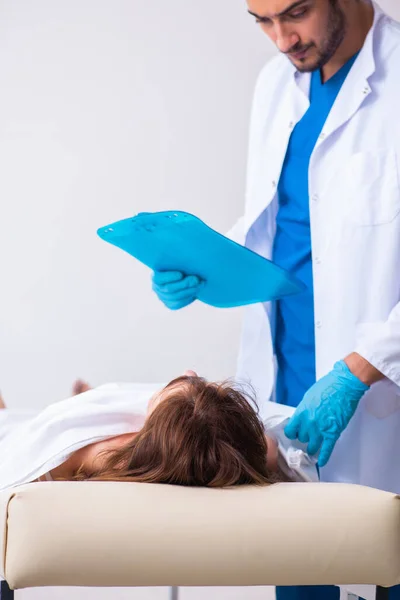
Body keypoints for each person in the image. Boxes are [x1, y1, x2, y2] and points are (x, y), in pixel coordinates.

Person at [150, 2, 400, 598]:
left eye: (295, 13)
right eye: (260, 20)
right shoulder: (276, 85)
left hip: (376, 397)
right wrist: (202, 266)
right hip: (286, 396)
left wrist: (360, 369)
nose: (282, 39)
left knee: (384, 568)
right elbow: (276, 224)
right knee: (301, 576)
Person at [0, 372, 317, 491]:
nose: (192, 372)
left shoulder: (113, 453)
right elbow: (269, 448)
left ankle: (83, 395)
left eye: (171, 387)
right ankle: (84, 394)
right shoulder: (229, 449)